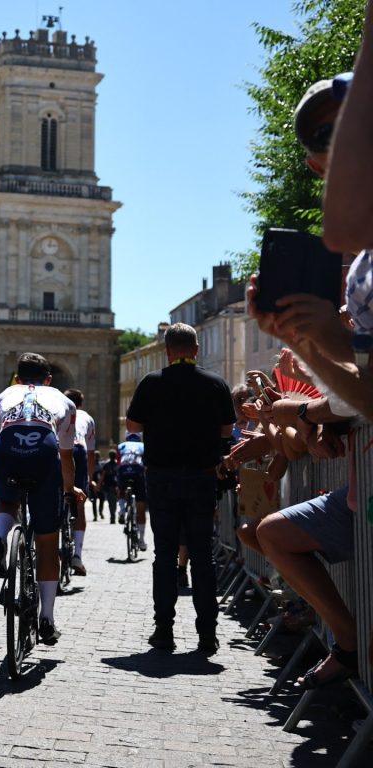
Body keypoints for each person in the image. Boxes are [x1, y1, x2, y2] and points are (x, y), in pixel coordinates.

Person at [245, 72, 363, 687]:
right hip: (359, 494)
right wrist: (304, 343)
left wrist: (308, 407)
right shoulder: (362, 260)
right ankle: (350, 645)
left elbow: (356, 395)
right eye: (323, 141)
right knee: (269, 533)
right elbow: (357, 391)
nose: (329, 158)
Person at [126, 322, 235, 656]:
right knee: (202, 554)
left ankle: (164, 629)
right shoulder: (215, 383)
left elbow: (132, 426)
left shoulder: (152, 382)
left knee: (164, 554)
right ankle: (207, 634)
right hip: (202, 476)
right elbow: (228, 429)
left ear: (167, 351)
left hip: (162, 477)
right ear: (197, 349)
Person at [0, 352, 82, 645]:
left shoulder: (1, 396)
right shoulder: (64, 401)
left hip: (6, 452)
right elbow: (66, 456)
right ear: (49, 380)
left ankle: (0, 536)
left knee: (7, 499)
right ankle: (47, 619)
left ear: (16, 378)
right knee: (47, 542)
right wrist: (69, 489)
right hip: (42, 453)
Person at [64, 388, 95, 576]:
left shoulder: (59, 408)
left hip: (61, 450)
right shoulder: (87, 417)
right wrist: (89, 479)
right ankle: (77, 556)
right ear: (81, 403)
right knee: (80, 503)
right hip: (79, 450)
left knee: (56, 497)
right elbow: (91, 453)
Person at [117, 432, 147, 547]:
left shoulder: (121, 446)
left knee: (120, 488)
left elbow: (118, 463)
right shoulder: (143, 446)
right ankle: (141, 540)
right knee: (141, 509)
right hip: (138, 473)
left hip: (124, 472)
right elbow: (146, 463)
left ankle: (121, 510)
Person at [99, 449, 119, 524]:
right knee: (114, 502)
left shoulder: (106, 465)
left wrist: (99, 485)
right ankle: (113, 516)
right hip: (116, 486)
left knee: (111, 502)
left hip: (109, 486)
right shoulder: (118, 464)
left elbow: (102, 476)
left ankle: (112, 516)